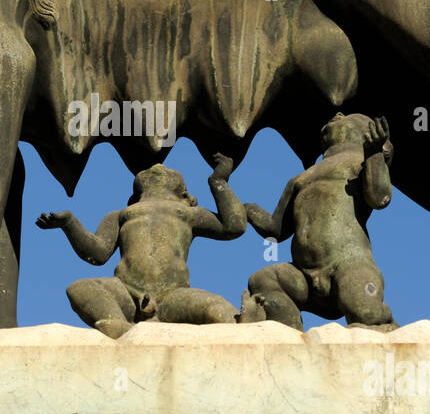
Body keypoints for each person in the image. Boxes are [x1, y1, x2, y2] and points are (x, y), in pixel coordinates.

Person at [37, 155, 245, 337]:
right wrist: (69, 223)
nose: (158, 167)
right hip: (127, 294)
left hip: (173, 296)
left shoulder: (188, 213)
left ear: (185, 196)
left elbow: (234, 225)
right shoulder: (120, 216)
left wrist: (218, 181)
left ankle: (245, 323)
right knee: (80, 288)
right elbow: (97, 253)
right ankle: (120, 327)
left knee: (217, 309)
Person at [240, 113, 395, 330]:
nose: (336, 115)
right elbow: (276, 230)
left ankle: (386, 320)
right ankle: (292, 337)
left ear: (365, 132)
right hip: (303, 278)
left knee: (365, 313)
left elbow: (379, 198)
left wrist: (374, 155)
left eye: (346, 117)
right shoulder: (300, 179)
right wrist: (247, 209)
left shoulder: (360, 162)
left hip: (348, 267)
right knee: (263, 280)